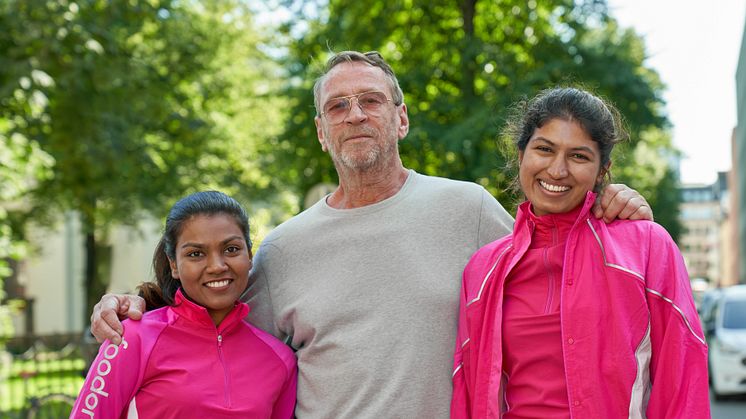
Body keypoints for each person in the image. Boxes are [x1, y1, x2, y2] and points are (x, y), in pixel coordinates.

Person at [90, 52, 653, 418]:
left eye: (371, 101)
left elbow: (554, 272)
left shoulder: (468, 208)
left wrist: (610, 202)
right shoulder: (285, 247)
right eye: (338, 106)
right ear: (321, 131)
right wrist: (139, 301)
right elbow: (219, 328)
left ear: (401, 119)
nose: (355, 114)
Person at [450, 87, 709, 418]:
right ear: (521, 156)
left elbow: (684, 377)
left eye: (579, 156)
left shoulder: (646, 246)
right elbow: (467, 390)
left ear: (602, 170)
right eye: (544, 149)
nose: (557, 170)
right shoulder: (483, 270)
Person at [71, 191, 296, 418]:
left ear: (249, 255)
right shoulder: (131, 338)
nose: (217, 266)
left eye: (231, 249)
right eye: (196, 253)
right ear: (174, 265)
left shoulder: (280, 360)